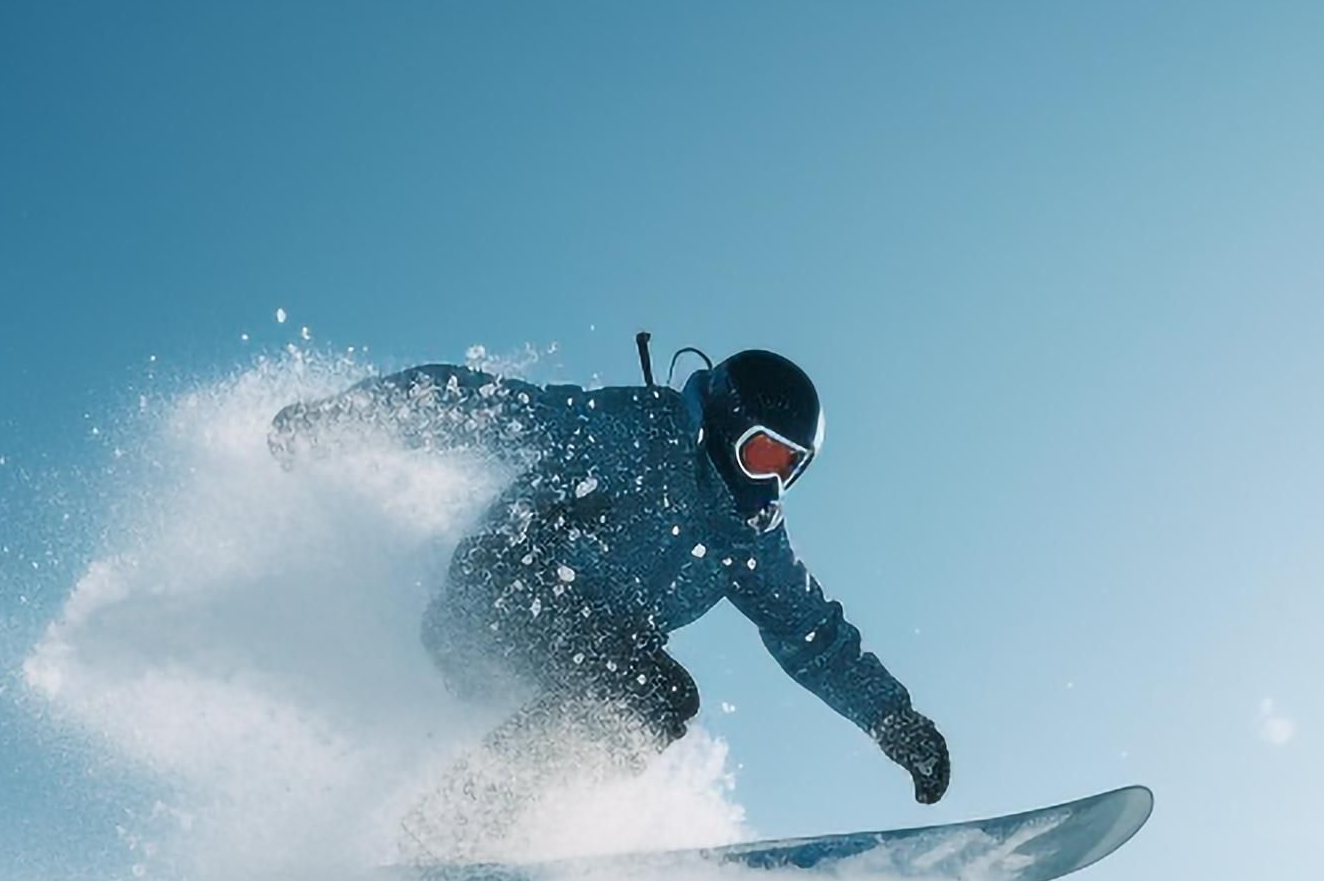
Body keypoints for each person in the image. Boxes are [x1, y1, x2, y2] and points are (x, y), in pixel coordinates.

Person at [270, 346, 950, 854]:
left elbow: (813, 636)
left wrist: (894, 721)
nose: (769, 483)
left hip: (569, 655)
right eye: (761, 454)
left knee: (656, 704)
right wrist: (338, 421)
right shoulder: (638, 434)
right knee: (647, 689)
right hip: (504, 590)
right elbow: (487, 408)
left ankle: (481, 824)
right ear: (723, 422)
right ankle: (458, 816)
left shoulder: (748, 542)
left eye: (787, 468)